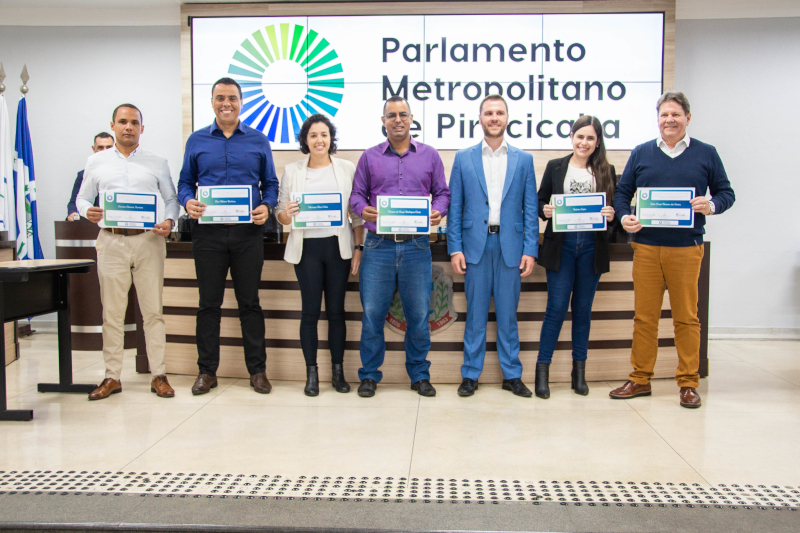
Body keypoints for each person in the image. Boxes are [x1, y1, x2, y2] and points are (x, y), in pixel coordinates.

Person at [611, 91, 735, 408]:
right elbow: (622, 192)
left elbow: (726, 192)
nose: (669, 120)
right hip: (647, 248)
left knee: (686, 319)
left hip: (686, 248)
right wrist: (625, 216)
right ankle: (640, 379)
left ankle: (688, 383)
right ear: (658, 119)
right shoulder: (641, 153)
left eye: (675, 114)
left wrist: (712, 204)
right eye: (664, 115)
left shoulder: (706, 153)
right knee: (644, 318)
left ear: (687, 118)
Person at [178, 77, 279, 396]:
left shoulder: (259, 140)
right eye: (220, 98)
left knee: (250, 303)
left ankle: (258, 371)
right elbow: (184, 183)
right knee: (208, 304)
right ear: (211, 102)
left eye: (232, 98)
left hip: (248, 235)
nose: (226, 103)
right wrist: (187, 201)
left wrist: (267, 205)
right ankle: (207, 371)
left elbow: (271, 184)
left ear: (241, 102)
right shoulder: (196, 141)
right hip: (207, 235)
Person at [349, 96, 450, 398]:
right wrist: (362, 209)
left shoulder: (430, 155)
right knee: (372, 315)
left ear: (411, 119)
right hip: (378, 246)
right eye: (391, 115)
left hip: (417, 247)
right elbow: (356, 196)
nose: (397, 120)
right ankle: (369, 375)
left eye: (402, 114)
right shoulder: (369, 157)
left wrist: (439, 211)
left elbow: (443, 193)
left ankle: (419, 374)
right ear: (383, 121)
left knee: (419, 316)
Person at [77, 104, 179, 400]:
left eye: (134, 122)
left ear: (142, 129)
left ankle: (158, 374)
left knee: (153, 312)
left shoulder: (157, 162)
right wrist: (88, 211)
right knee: (112, 312)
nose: (128, 127)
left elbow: (171, 198)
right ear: (113, 125)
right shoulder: (96, 161)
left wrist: (170, 220)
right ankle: (112, 377)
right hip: (111, 241)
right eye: (123, 122)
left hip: (148, 241)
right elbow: (81, 198)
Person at [447, 94, 538, 398]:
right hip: (475, 247)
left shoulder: (524, 160)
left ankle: (512, 375)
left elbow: (529, 206)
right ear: (480, 118)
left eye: (499, 112)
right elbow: (455, 207)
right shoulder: (463, 158)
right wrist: (455, 248)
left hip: (510, 247)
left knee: (508, 316)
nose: (494, 118)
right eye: (489, 113)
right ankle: (470, 375)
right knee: (474, 315)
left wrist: (530, 249)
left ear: (507, 118)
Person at [276, 114, 365, 396]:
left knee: (337, 312)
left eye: (324, 134)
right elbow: (280, 214)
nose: (319, 140)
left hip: (338, 247)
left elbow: (356, 216)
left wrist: (359, 249)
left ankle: (338, 373)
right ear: (305, 140)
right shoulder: (292, 171)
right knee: (310, 313)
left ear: (331, 138)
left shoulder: (346, 168)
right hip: (307, 250)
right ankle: (311, 374)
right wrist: (285, 215)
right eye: (313, 135)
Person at [536, 116, 617, 399]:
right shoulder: (555, 167)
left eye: (591, 138)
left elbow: (614, 214)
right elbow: (538, 201)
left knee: (583, 311)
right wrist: (544, 209)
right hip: (563, 245)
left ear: (598, 142)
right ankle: (542, 371)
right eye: (580, 136)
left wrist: (611, 215)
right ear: (572, 137)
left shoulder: (607, 170)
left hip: (592, 247)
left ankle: (578, 373)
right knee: (556, 309)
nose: (584, 142)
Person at [67, 132, 113, 220]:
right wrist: (72, 213)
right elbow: (74, 202)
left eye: (108, 147)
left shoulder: (122, 174)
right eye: (100, 147)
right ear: (94, 148)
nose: (105, 151)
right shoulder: (82, 175)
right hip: (89, 223)